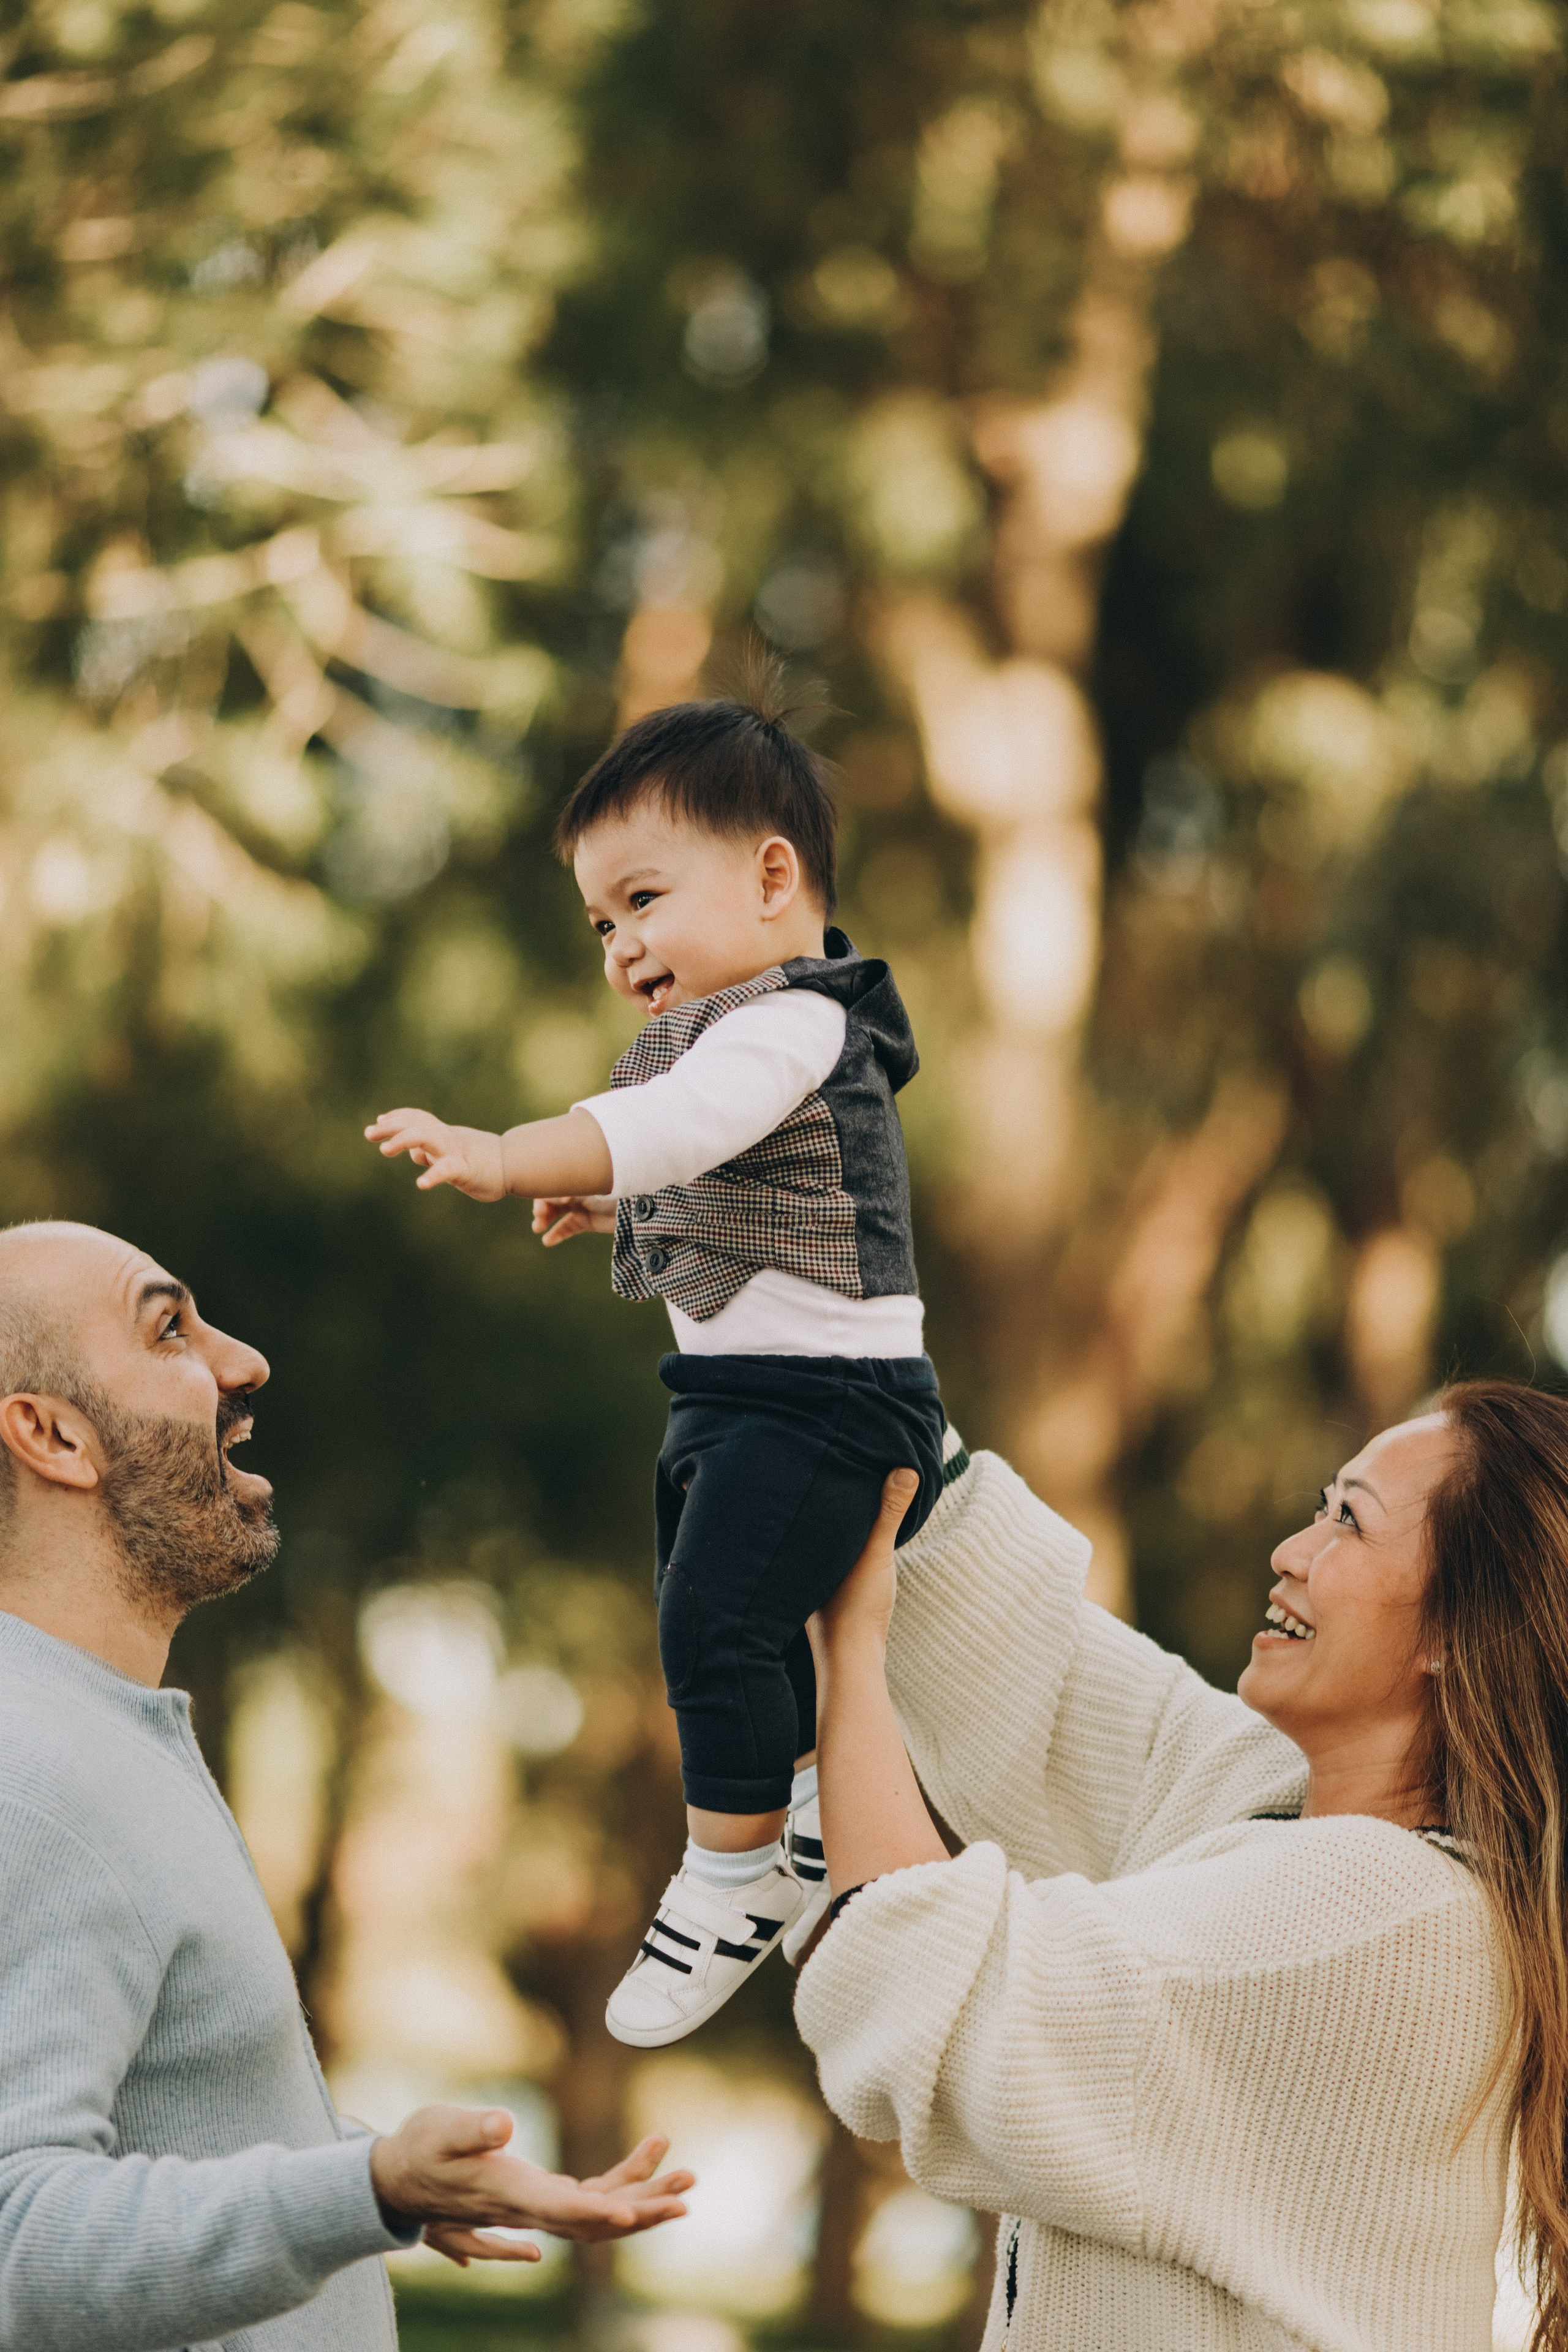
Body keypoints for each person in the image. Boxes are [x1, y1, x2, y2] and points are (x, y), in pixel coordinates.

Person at [366, 686, 949, 2049]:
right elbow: (704, 1164)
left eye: (642, 899)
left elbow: (682, 1127)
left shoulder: (797, 1022)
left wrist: (517, 1154)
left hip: (830, 1405)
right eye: (602, 925)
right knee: (711, 1607)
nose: (622, 945)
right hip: (743, 1401)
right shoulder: (735, 1031)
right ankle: (802, 1818)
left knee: (711, 1623)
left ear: (769, 877)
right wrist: (615, 1206)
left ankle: (727, 1879)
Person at [0, 1219, 692, 2352]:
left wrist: (384, 2176)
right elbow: (15, 2239)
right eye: (170, 1328)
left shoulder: (97, 1734)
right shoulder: (29, 1776)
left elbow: (175, 2127)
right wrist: (362, 2190)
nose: (242, 1363)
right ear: (53, 1435)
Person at [792, 1384, 1568, 2351]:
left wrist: (847, 1659)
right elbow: (1021, 1649)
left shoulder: (1385, 1919)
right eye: (1322, 1507)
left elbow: (938, 1992)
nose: (1293, 1551)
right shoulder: (1278, 1794)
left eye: (1351, 1525)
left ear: (1458, 1632)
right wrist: (765, 1250)